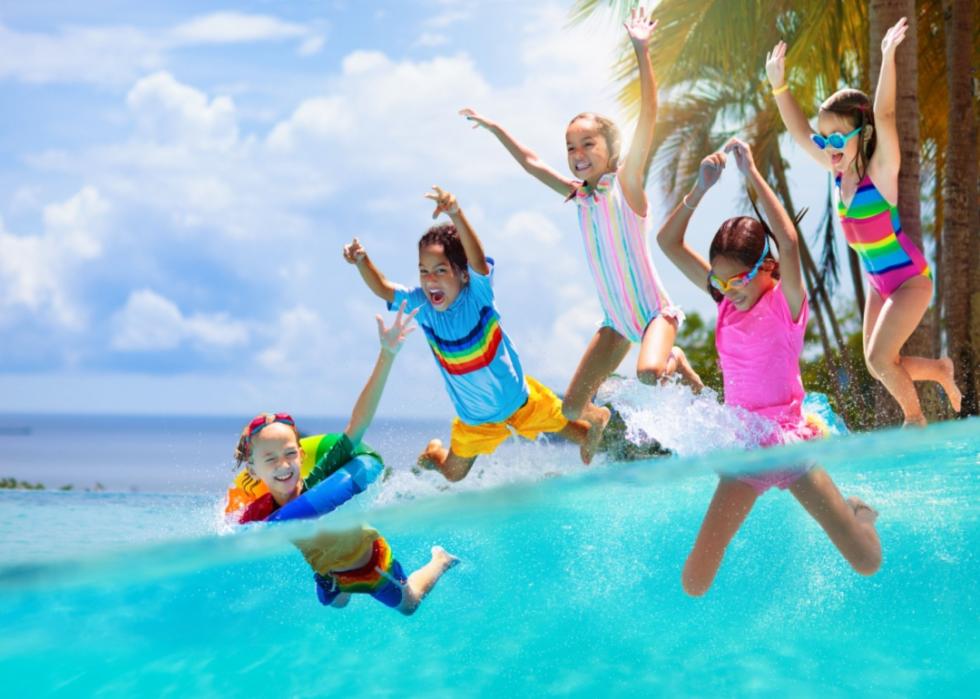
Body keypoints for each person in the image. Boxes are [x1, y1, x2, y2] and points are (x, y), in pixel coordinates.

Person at [459, 4, 702, 432]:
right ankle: (602, 419)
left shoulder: (626, 186)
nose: (577, 155)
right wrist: (497, 129)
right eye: (571, 148)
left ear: (612, 148)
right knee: (571, 410)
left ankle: (675, 359)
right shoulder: (579, 198)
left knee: (648, 373)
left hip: (653, 316)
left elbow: (649, 115)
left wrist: (641, 50)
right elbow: (533, 163)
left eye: (588, 144)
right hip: (616, 323)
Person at [657, 138, 882, 596]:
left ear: (768, 266)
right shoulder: (725, 304)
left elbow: (792, 241)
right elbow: (667, 242)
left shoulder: (787, 304)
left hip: (791, 446)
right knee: (694, 582)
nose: (728, 288)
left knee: (867, 562)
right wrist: (699, 190)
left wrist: (752, 174)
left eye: (738, 278)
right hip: (746, 451)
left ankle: (859, 511)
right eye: (720, 280)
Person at [765, 17, 960, 425]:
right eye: (825, 138)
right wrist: (778, 85)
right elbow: (800, 133)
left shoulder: (881, 172)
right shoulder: (836, 170)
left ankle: (915, 421)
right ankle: (940, 370)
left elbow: (885, 114)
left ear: (860, 135)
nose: (828, 146)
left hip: (909, 280)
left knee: (877, 357)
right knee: (879, 364)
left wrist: (888, 56)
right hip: (878, 283)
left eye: (838, 138)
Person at [344, 185, 605, 482]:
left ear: (463, 274)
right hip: (475, 420)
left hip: (521, 402)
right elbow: (384, 289)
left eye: (441, 270)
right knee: (454, 474)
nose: (431, 280)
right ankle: (434, 453)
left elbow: (478, 260)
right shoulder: (424, 306)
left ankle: (597, 420)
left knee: (576, 431)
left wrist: (456, 214)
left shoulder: (477, 295)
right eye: (424, 271)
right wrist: (362, 262)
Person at [233, 307, 458, 614]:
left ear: (300, 454)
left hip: (369, 565)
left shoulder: (321, 479)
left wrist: (387, 354)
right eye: (270, 459)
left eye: (289, 454)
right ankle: (330, 583)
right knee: (336, 604)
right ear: (254, 469)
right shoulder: (259, 512)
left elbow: (357, 425)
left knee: (409, 605)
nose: (283, 465)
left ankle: (440, 560)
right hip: (331, 576)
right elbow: (234, 535)